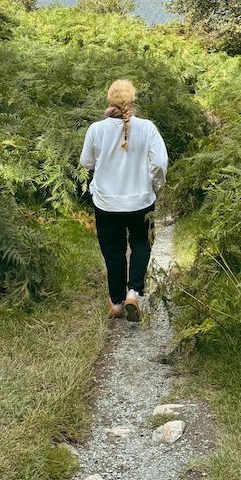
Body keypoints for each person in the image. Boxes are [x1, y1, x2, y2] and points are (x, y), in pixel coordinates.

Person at [80, 79, 168, 322]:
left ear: (109, 100)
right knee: (141, 244)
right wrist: (156, 185)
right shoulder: (147, 128)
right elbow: (160, 163)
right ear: (133, 100)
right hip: (141, 201)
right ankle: (133, 293)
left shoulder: (96, 129)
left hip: (106, 202)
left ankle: (117, 303)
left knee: (114, 251)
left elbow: (86, 163)